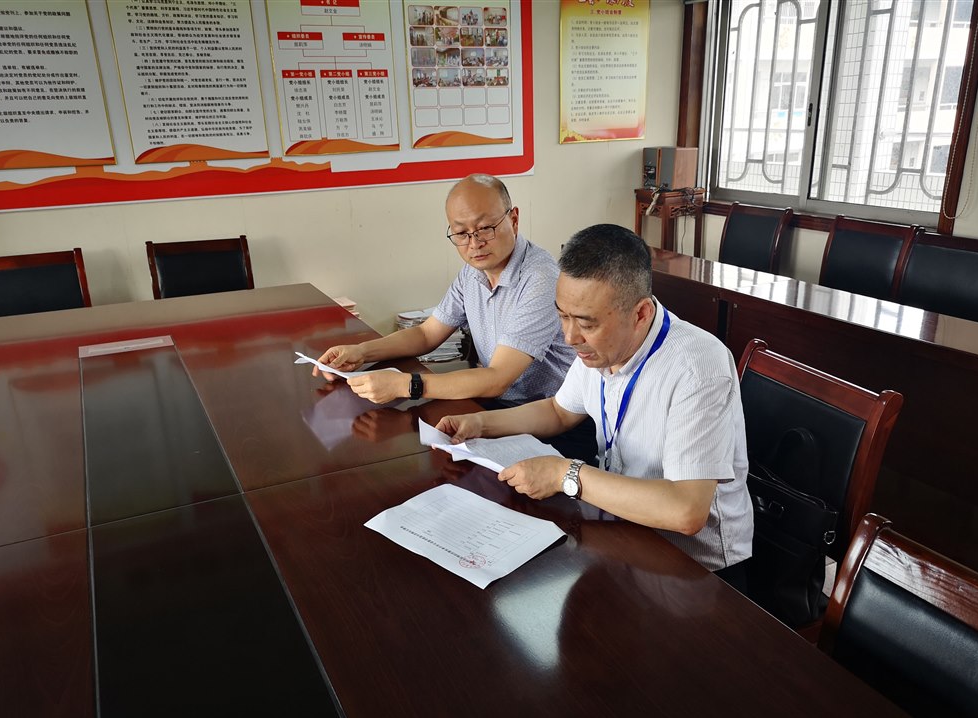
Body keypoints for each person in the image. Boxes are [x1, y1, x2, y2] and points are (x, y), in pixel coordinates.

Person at [435, 223, 753, 585]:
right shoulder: (604, 346)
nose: (570, 337)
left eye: (586, 323)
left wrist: (564, 474)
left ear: (640, 314)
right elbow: (559, 411)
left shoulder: (697, 367)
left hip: (696, 570)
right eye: (562, 315)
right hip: (623, 533)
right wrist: (480, 424)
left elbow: (686, 511)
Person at [314, 174, 596, 462]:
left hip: (554, 422)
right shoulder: (473, 273)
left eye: (485, 228)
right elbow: (426, 334)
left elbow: (498, 378)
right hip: (495, 409)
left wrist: (405, 385)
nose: (474, 243)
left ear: (513, 220)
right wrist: (361, 352)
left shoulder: (540, 279)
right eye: (461, 233)